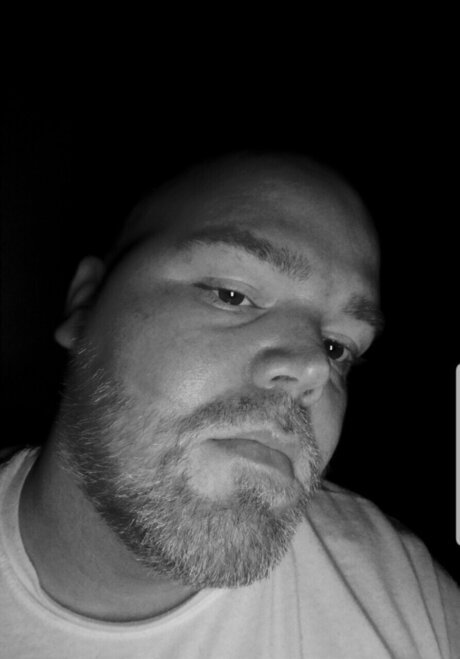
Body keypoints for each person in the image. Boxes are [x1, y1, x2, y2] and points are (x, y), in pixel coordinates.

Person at [0, 151, 458, 658]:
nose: (313, 368)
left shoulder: (409, 594)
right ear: (86, 304)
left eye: (337, 348)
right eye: (232, 295)